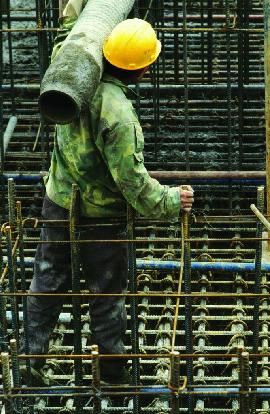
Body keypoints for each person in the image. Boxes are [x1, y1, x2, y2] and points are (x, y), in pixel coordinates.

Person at [22, 14, 194, 385]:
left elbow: (65, 40)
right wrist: (170, 200)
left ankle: (28, 361)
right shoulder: (117, 113)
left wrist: (80, 14)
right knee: (106, 294)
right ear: (144, 68)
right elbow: (132, 182)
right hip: (100, 217)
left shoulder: (72, 77)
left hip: (58, 202)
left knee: (46, 283)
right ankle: (114, 376)